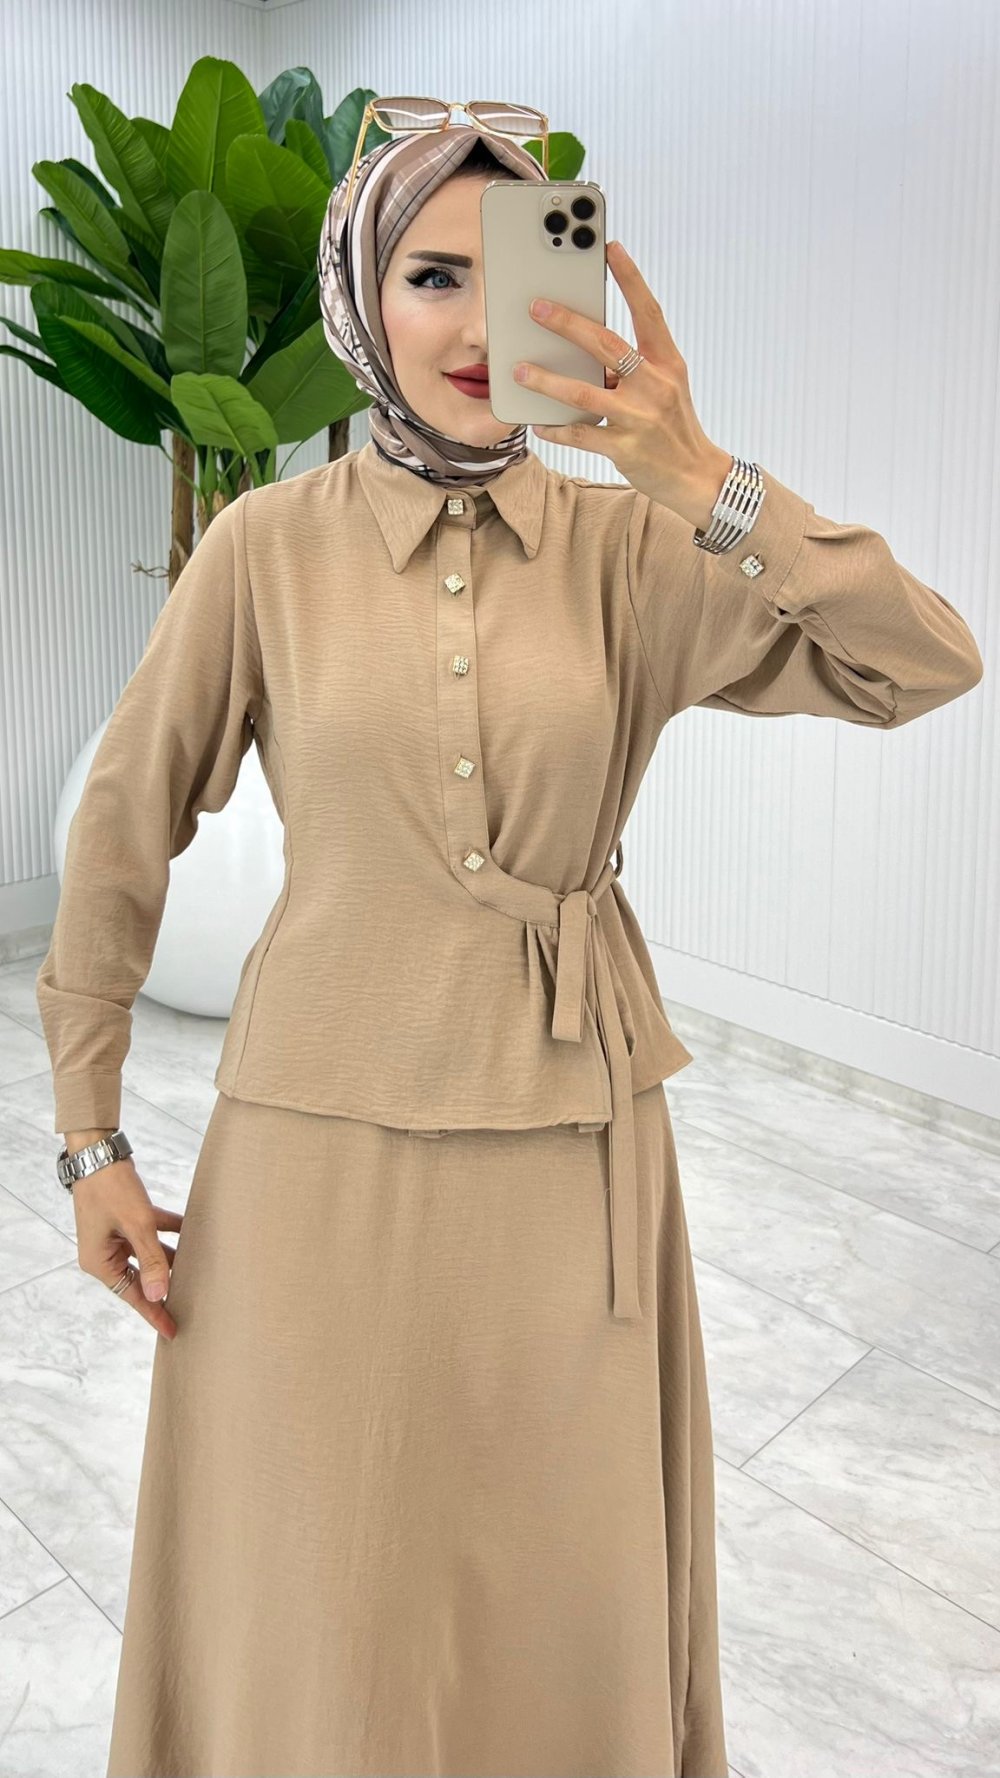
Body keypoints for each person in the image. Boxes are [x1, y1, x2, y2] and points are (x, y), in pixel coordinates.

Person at [37, 120, 984, 1778]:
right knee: (315, 1573)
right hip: (311, 1149)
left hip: (571, 1139)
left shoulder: (636, 552)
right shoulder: (266, 549)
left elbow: (921, 664)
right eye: (432, 276)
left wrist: (705, 480)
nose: (480, 327)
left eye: (515, 272)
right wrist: (89, 1133)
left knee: (554, 1575)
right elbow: (124, 822)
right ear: (363, 298)